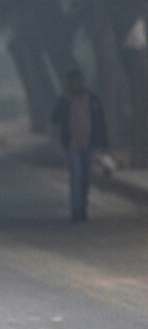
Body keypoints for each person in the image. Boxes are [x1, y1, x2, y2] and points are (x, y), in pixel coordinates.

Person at [51, 69, 108, 222]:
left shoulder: (93, 99)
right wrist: (64, 101)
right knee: (76, 177)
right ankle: (77, 212)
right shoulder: (65, 100)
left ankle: (84, 207)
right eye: (73, 82)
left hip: (89, 144)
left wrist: (103, 144)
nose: (76, 85)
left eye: (78, 81)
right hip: (72, 145)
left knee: (86, 179)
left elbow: (100, 123)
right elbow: (55, 119)